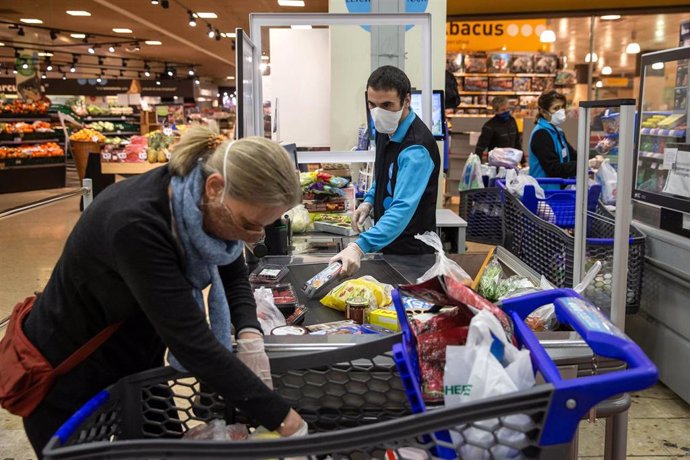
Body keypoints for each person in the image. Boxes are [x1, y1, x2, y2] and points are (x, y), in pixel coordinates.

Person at [17, 126, 307, 456]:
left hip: (137, 360)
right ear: (215, 188)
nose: (255, 237)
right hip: (72, 381)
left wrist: (250, 333)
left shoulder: (198, 197)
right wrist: (284, 420)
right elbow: (192, 342)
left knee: (165, 449)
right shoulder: (137, 225)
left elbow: (233, 272)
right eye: (250, 224)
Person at [331, 65, 440, 276]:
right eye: (372, 104)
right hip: (388, 245)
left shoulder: (416, 149)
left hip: (411, 253)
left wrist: (359, 246)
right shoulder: (385, 128)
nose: (378, 112)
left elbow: (401, 209)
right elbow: (384, 174)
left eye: (387, 105)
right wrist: (370, 200)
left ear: (406, 100)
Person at [528, 90, 577, 182]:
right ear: (543, 112)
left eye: (562, 107)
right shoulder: (541, 134)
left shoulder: (557, 132)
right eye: (556, 108)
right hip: (545, 191)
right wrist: (582, 165)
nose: (561, 111)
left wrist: (591, 158)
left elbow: (572, 154)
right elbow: (553, 169)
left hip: (558, 190)